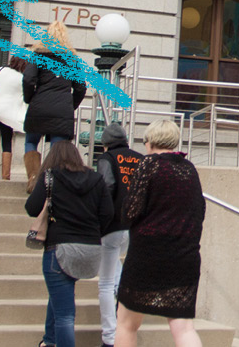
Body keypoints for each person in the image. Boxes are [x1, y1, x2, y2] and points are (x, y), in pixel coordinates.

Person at [115, 119, 206, 347]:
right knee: (183, 328)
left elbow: (130, 211)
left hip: (147, 254)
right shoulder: (189, 170)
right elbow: (199, 211)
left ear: (151, 141)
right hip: (184, 256)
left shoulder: (149, 165)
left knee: (126, 323)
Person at [24, 139, 114, 347]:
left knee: (65, 315)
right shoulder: (96, 179)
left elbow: (31, 207)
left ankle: (55, 341)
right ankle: (49, 340)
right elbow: (108, 213)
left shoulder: (50, 177)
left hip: (60, 249)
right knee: (59, 294)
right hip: (90, 250)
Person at [23, 21, 88, 193]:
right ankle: (51, 185)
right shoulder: (72, 59)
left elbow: (28, 80)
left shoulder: (38, 56)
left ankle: (33, 177)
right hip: (62, 109)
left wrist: (29, 99)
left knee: (31, 141)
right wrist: (70, 106)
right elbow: (81, 87)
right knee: (58, 149)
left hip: (39, 106)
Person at [96, 123, 145, 347]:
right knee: (117, 273)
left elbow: (106, 187)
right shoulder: (140, 158)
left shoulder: (107, 159)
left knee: (105, 283)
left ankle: (110, 336)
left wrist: (99, 220)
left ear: (105, 144)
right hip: (135, 226)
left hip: (113, 225)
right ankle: (126, 325)